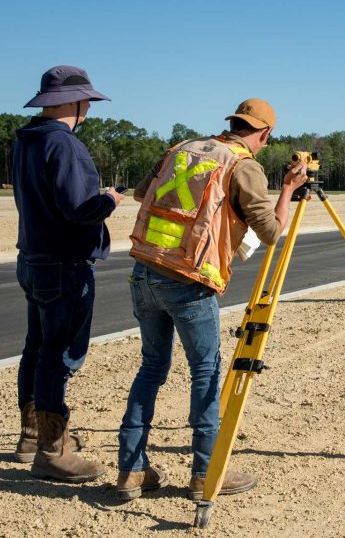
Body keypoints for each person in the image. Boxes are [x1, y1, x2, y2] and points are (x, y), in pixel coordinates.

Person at [116, 98, 308, 500]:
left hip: (145, 269)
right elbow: (273, 232)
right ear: (265, 133)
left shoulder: (181, 149)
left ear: (232, 122)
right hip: (189, 280)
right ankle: (206, 473)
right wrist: (289, 188)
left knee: (151, 367)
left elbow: (140, 193)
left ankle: (131, 470)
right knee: (204, 372)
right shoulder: (244, 165)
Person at [13, 65, 125, 482]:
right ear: (74, 102)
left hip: (33, 257)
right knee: (58, 356)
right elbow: (79, 209)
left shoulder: (27, 139)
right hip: (64, 264)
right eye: (87, 103)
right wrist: (110, 200)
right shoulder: (65, 145)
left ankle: (32, 435)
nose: (90, 110)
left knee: (37, 347)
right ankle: (51, 449)